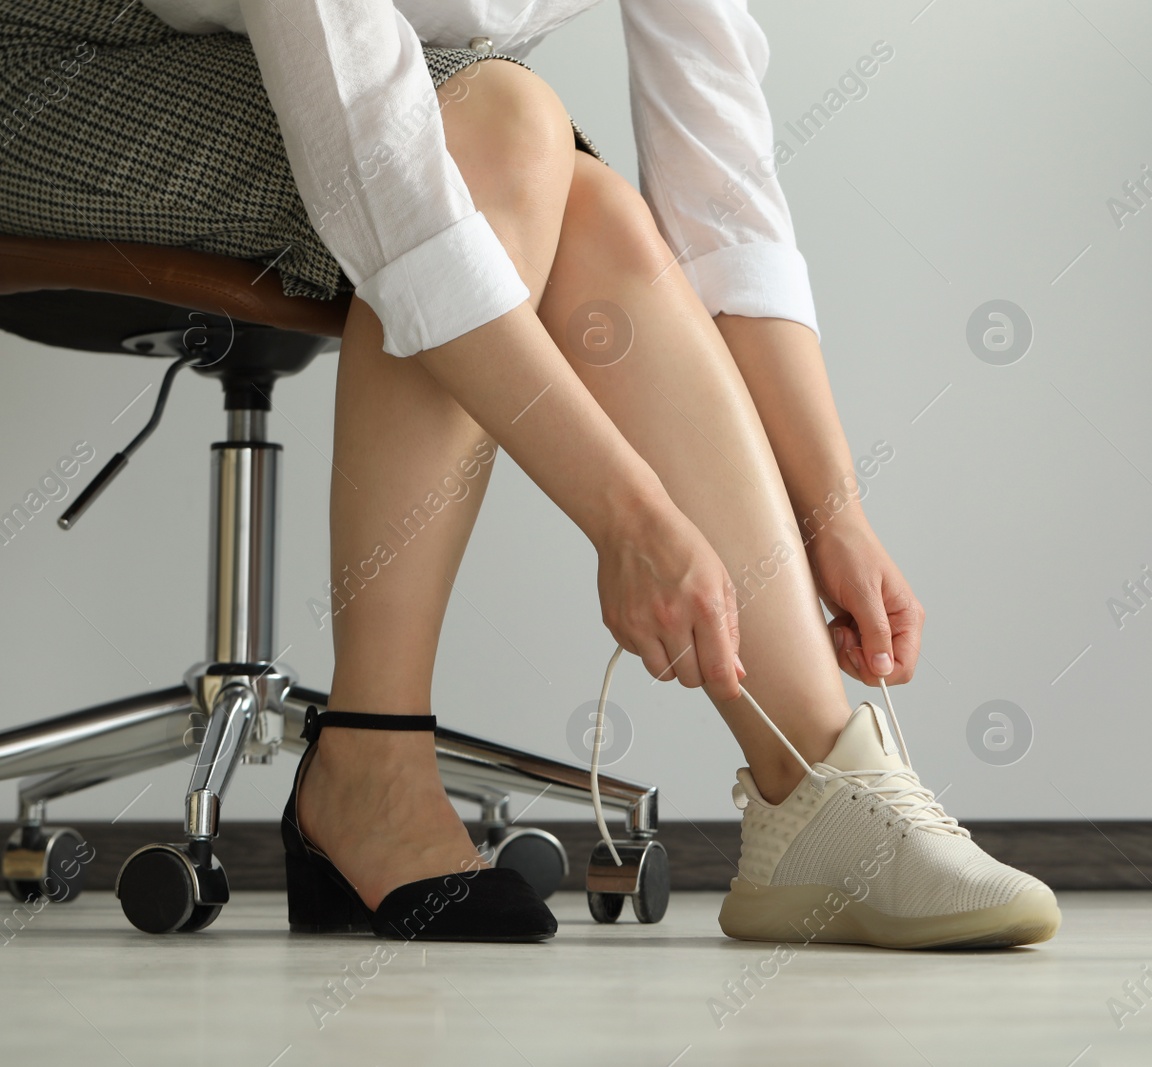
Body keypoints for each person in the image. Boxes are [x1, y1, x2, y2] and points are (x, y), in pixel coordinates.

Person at [0, 0, 1060, 948]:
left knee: (572, 190)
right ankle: (368, 764)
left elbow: (721, 190)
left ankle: (822, 789)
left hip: (333, 93)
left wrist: (833, 505)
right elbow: (389, 186)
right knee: (500, 128)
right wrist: (625, 516)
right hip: (52, 65)